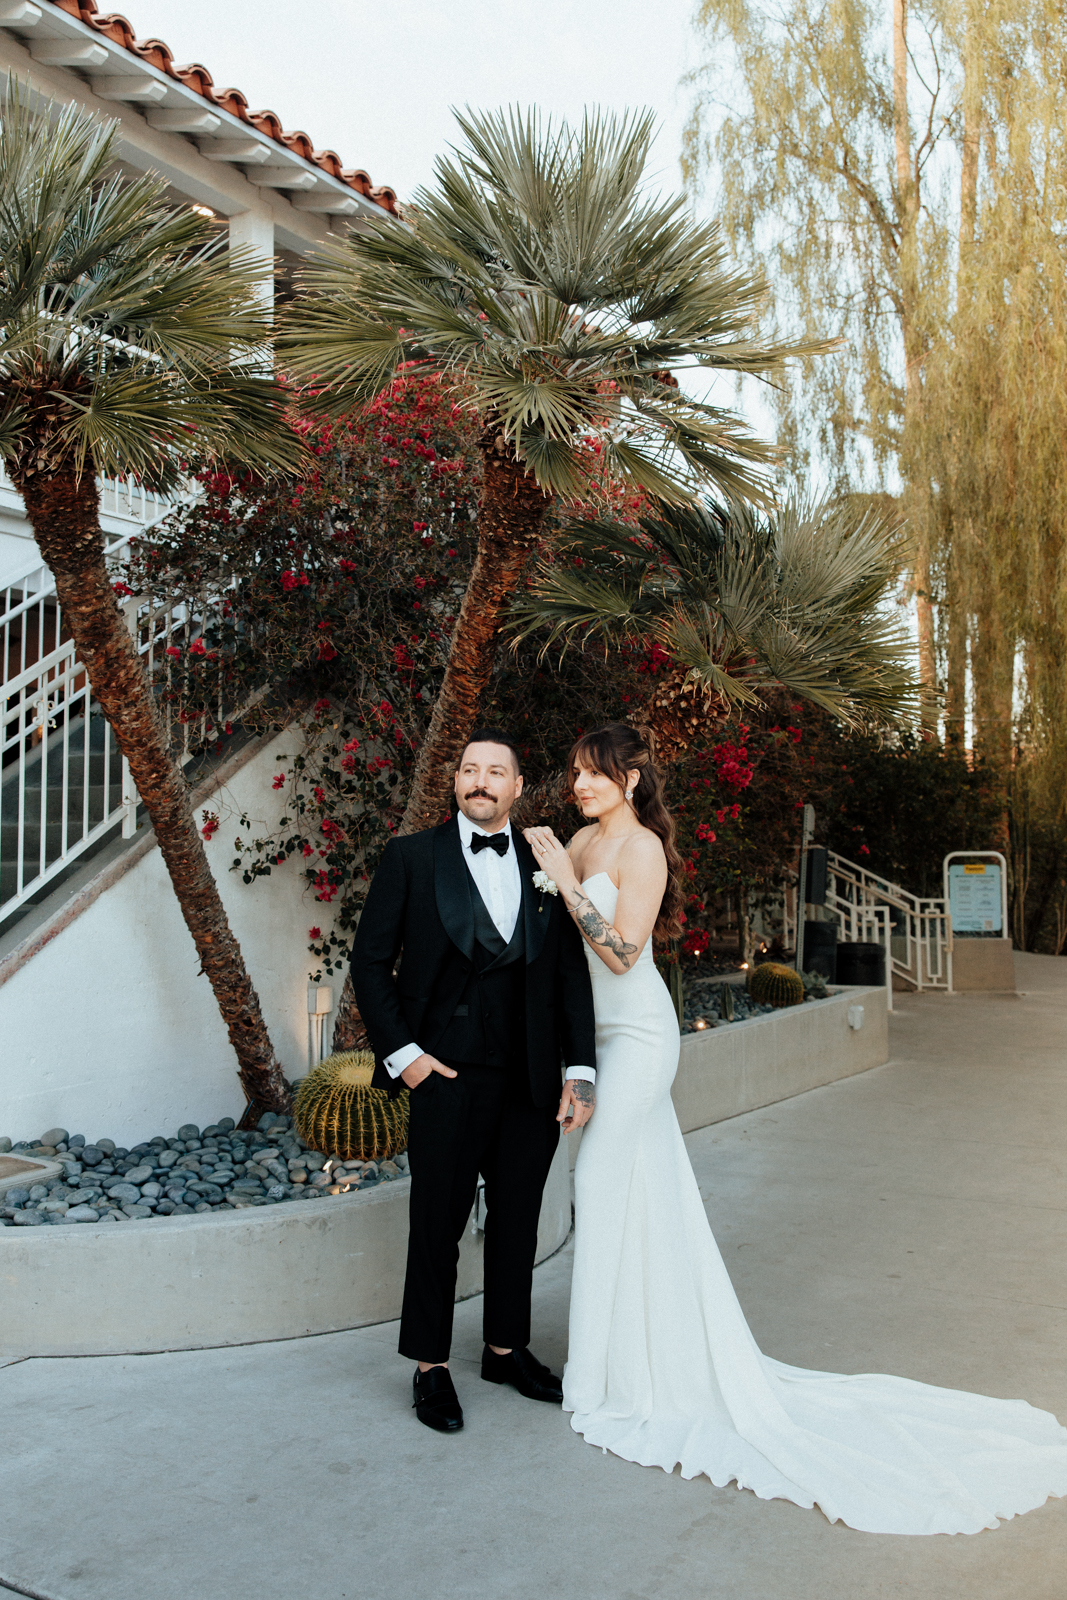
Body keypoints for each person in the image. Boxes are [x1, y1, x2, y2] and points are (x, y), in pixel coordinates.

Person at [523, 723, 1067, 1537]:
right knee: (639, 1195)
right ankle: (630, 1360)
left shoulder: (637, 852)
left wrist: (563, 882)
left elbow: (622, 956)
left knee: (597, 1185)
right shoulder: (576, 838)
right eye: (572, 773)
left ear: (632, 778)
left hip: (638, 1038)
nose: (579, 785)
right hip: (593, 1039)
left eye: (594, 774)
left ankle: (598, 1383)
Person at [352, 728, 597, 1434]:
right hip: (443, 1076)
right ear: (454, 783)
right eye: (468, 769)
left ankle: (504, 1349)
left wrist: (577, 1070)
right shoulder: (410, 858)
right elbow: (371, 965)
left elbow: (567, 972)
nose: (480, 780)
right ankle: (430, 1367)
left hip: (528, 1076)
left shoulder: (546, 862)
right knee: (436, 1225)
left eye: (495, 771)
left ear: (518, 788)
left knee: (518, 1222)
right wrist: (408, 1057)